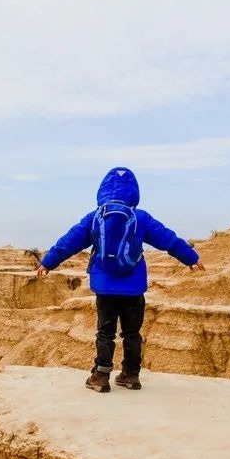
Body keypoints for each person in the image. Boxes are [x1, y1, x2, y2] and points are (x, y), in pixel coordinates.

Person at [36, 167, 205, 392]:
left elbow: (68, 242)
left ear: (102, 190)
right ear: (134, 192)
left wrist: (48, 263)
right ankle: (131, 375)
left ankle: (101, 377)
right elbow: (169, 240)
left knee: (105, 332)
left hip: (105, 287)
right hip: (134, 287)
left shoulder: (94, 218)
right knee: (132, 333)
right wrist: (191, 258)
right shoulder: (141, 218)